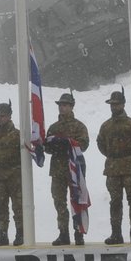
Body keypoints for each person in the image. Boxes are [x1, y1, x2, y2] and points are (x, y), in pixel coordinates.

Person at [96, 91, 131, 245]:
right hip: (113, 169)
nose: (114, 107)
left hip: (130, 169)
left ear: (123, 104)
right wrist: (113, 155)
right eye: (112, 104)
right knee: (115, 202)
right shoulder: (106, 126)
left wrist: (127, 156)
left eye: (117, 104)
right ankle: (116, 233)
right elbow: (100, 143)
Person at [46, 93, 89, 246]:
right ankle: (63, 232)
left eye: (65, 105)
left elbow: (84, 144)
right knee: (59, 202)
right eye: (60, 105)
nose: (62, 107)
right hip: (57, 170)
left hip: (74, 170)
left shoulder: (79, 126)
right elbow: (47, 147)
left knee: (77, 201)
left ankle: (79, 233)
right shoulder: (53, 127)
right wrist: (53, 145)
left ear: (71, 107)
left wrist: (69, 143)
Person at [0, 103, 23, 247]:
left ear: (9, 116)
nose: (0, 119)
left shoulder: (18, 135)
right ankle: (2, 234)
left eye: (2, 116)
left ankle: (21, 233)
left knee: (18, 206)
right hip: (0, 176)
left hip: (15, 176)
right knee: (0, 205)